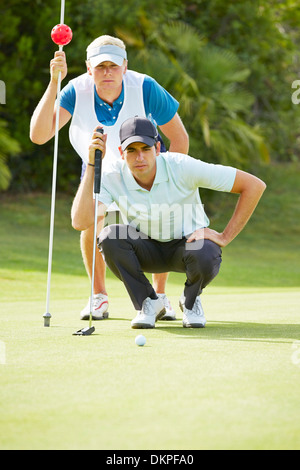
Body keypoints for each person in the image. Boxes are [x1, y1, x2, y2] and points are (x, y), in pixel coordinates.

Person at [30, 35, 189, 321]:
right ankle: (98, 296)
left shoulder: (145, 87)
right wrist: (54, 82)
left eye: (113, 66)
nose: (107, 72)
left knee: (159, 218)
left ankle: (160, 294)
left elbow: (180, 139)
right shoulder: (74, 90)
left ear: (124, 67)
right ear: (88, 68)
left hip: (142, 161)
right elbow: (39, 135)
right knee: (91, 221)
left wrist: (165, 178)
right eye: (100, 66)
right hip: (98, 162)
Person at [71, 117, 266, 328]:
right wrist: (92, 165)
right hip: (144, 249)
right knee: (110, 236)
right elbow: (80, 222)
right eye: (132, 150)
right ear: (121, 152)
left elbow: (254, 186)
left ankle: (190, 301)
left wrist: (224, 237)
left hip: (186, 246)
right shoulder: (112, 175)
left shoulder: (181, 166)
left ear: (157, 148)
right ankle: (148, 302)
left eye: (145, 148)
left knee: (207, 250)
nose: (139, 157)